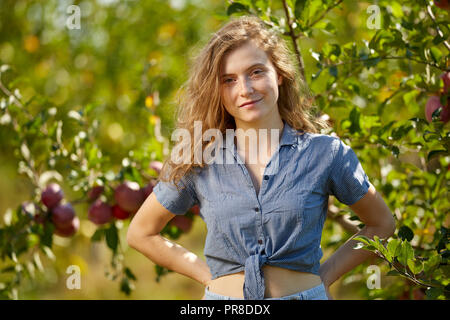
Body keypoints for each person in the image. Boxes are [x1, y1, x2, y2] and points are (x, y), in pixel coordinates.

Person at [126, 16, 396, 300]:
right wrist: (209, 278)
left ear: (278, 74)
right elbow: (141, 233)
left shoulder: (326, 152)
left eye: (256, 72)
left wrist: (324, 278)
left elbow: (382, 224)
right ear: (216, 90)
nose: (245, 89)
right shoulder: (200, 156)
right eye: (229, 80)